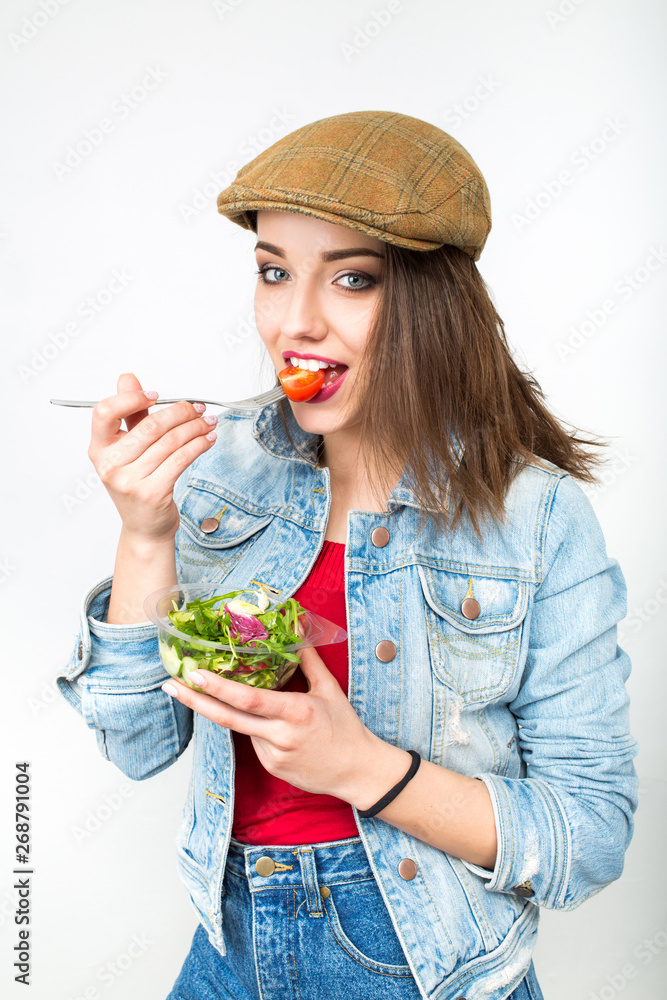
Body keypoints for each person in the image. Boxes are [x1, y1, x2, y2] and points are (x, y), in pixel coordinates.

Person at [57, 110, 638, 1000]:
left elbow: (588, 836)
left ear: (433, 302)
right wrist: (144, 535)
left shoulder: (538, 516)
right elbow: (137, 747)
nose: (297, 323)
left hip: (425, 967)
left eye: (353, 280)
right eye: (274, 273)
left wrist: (359, 767)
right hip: (228, 954)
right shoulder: (219, 473)